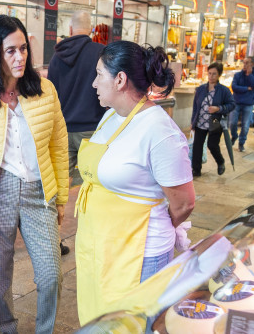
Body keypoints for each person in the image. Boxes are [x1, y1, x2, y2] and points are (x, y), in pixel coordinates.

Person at [0, 15, 68, 334]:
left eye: (23, 49)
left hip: (39, 192)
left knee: (51, 274)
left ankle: (44, 330)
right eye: (10, 51)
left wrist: (61, 195)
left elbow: (59, 145)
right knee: (0, 277)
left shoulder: (44, 89)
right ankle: (8, 329)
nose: (20, 57)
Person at [74, 41, 195, 326]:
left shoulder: (160, 131)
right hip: (101, 248)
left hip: (139, 255)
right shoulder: (109, 117)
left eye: (99, 74)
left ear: (120, 79)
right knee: (103, 323)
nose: (93, 83)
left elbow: (184, 203)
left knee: (134, 326)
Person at [47, 10, 106, 256]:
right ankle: (88, 239)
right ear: (91, 30)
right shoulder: (100, 53)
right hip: (91, 131)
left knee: (58, 188)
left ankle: (54, 240)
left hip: (61, 129)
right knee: (90, 189)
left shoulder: (57, 56)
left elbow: (50, 94)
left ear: (70, 30)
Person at [191, 62, 235, 176]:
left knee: (212, 145)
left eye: (214, 74)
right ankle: (196, 169)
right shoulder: (200, 89)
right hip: (201, 121)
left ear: (219, 75)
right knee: (197, 146)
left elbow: (232, 104)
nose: (211, 76)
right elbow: (196, 106)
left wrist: (218, 108)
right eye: (209, 73)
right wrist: (193, 122)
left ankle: (220, 162)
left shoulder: (223, 90)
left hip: (215, 122)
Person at [230, 57, 254, 152]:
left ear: (252, 64)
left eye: (247, 63)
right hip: (236, 101)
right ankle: (234, 136)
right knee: (232, 122)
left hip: (248, 103)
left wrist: (249, 75)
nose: (245, 65)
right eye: (244, 62)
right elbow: (234, 87)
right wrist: (247, 89)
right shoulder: (238, 75)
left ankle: (241, 142)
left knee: (246, 125)